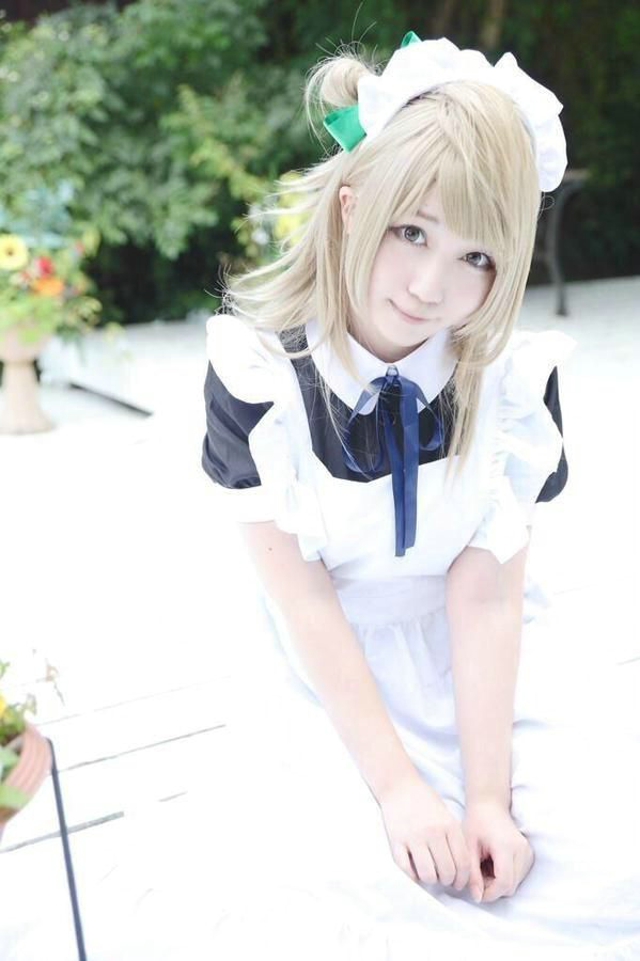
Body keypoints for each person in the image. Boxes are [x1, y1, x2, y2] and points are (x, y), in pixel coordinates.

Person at [200, 33, 640, 960]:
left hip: (476, 663)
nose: (433, 285)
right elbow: (305, 603)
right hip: (328, 677)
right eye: (412, 233)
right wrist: (400, 789)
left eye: (477, 256)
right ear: (354, 204)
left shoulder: (511, 385)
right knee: (352, 914)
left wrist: (487, 797)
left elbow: (485, 599)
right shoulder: (258, 376)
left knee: (611, 864)